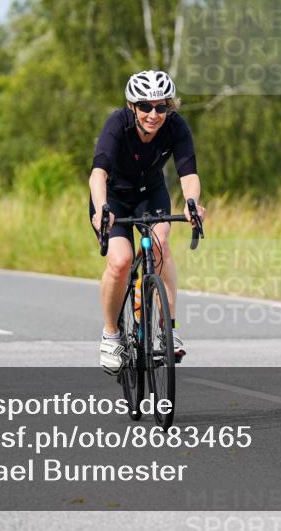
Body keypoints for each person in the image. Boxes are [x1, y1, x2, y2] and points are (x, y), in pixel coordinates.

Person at [89, 69, 206, 374]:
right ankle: (111, 334)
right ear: (133, 107)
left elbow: (188, 174)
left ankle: (166, 329)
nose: (154, 114)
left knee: (160, 244)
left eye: (161, 107)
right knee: (120, 261)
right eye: (145, 107)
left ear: (170, 107)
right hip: (113, 197)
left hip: (151, 194)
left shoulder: (176, 127)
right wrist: (102, 208)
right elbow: (98, 173)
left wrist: (192, 203)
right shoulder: (117, 124)